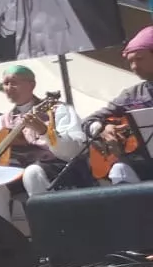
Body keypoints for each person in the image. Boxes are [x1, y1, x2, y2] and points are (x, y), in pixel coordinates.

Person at [0, 64, 83, 227]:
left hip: (56, 169)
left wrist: (45, 131)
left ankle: (49, 231)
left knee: (32, 173)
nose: (9, 88)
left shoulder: (57, 110)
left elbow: (74, 150)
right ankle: (4, 240)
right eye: (5, 84)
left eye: (14, 82)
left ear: (32, 85)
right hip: (16, 172)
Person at [54, 26, 153, 189]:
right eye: (130, 62)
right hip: (143, 165)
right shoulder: (131, 95)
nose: (134, 66)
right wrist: (102, 129)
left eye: (140, 59)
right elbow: (89, 121)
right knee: (119, 169)